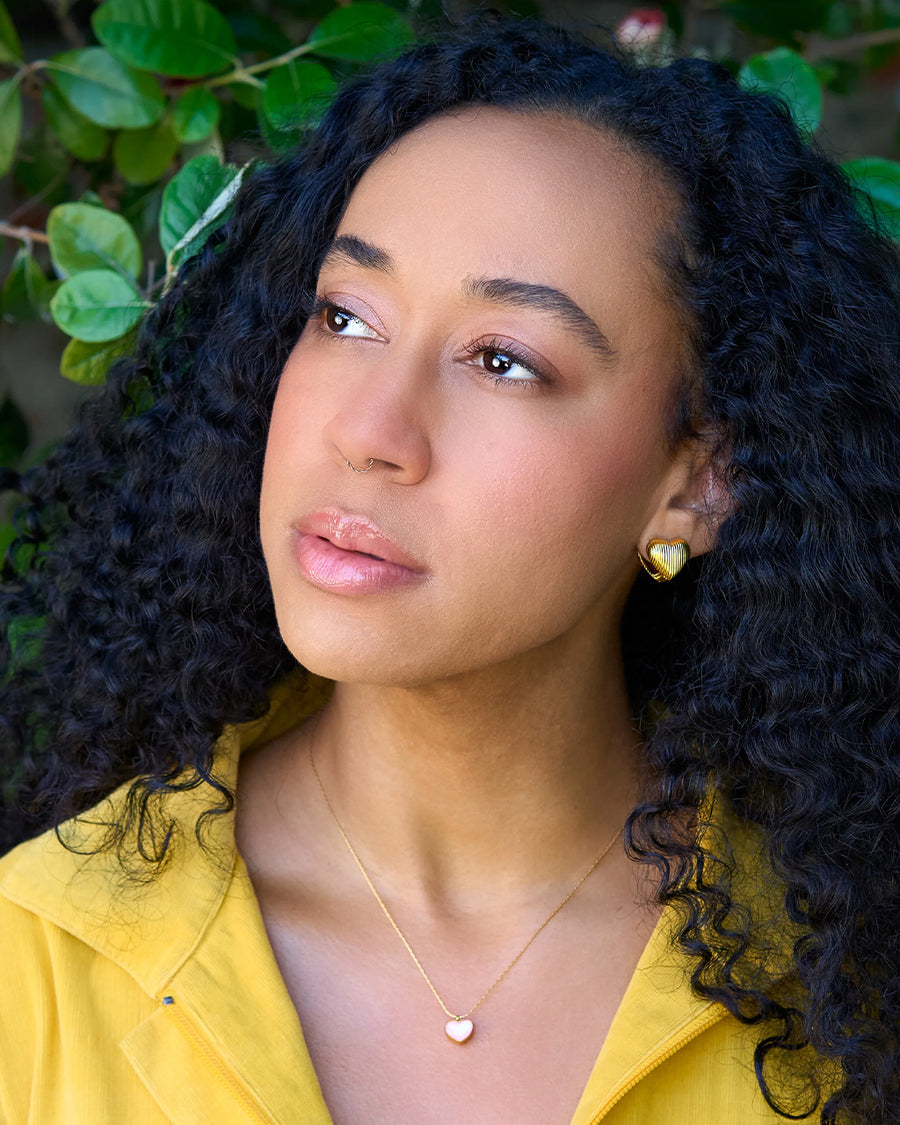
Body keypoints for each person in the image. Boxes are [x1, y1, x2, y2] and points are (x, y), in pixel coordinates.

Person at [1, 16, 898, 1125]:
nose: (369, 430)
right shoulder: (34, 959)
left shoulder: (852, 979)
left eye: (504, 360)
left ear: (701, 481)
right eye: (344, 316)